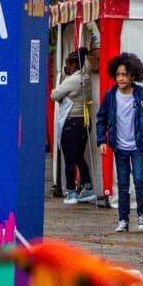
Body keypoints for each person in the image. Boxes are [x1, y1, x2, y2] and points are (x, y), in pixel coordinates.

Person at [96, 52, 143, 233]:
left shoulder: (142, 95)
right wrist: (102, 141)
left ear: (133, 75)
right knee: (123, 184)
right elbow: (101, 119)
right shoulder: (110, 96)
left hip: (138, 145)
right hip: (119, 147)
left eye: (124, 74)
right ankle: (123, 219)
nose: (121, 78)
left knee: (139, 179)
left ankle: (141, 215)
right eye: (118, 75)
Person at [50, 47, 96, 204]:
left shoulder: (72, 80)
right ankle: (88, 187)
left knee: (69, 158)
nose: (66, 68)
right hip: (84, 121)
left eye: (68, 65)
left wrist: (62, 82)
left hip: (71, 123)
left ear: (75, 64)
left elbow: (54, 94)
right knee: (78, 157)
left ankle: (71, 192)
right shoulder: (86, 77)